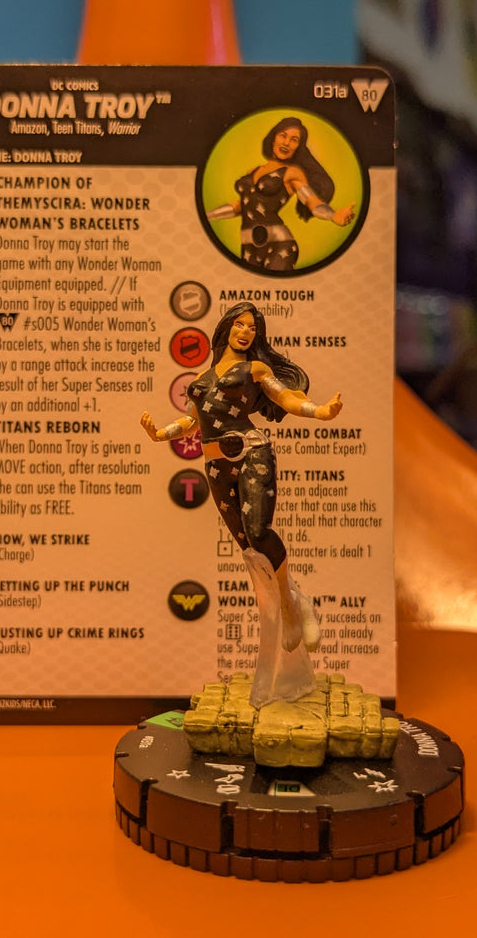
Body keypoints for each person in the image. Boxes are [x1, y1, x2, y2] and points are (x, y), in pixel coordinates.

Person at [141, 302, 342, 705]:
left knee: (259, 530)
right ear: (226, 329)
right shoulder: (201, 380)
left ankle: (289, 606)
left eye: (253, 328)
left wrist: (320, 412)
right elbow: (192, 420)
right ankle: (295, 600)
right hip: (215, 464)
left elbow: (287, 399)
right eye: (241, 324)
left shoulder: (256, 370)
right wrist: (160, 433)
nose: (247, 332)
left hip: (251, 452)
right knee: (249, 548)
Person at [205, 117, 355, 271]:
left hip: (280, 246)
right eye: (283, 136)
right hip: (248, 247)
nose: (287, 143)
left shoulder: (292, 173)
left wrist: (333, 215)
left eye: (294, 140)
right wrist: (208, 215)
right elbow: (242, 205)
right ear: (273, 138)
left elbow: (312, 202)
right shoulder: (253, 171)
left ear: (298, 147)